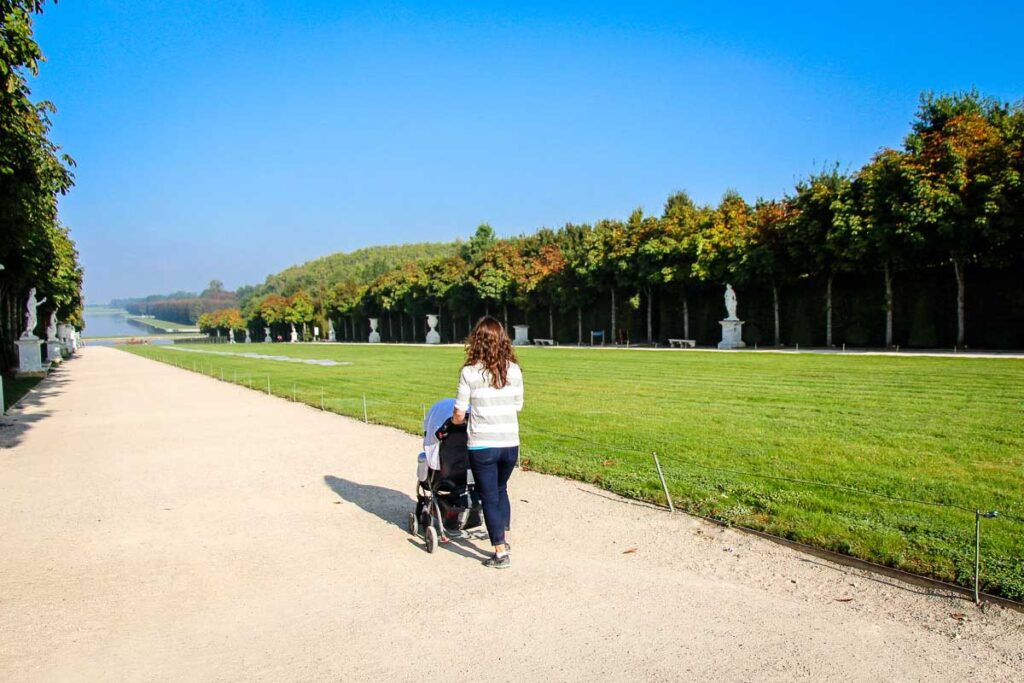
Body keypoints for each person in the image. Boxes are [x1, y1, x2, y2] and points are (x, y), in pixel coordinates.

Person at [452, 316, 524, 569]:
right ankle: (503, 534)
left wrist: (459, 421)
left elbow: (459, 413)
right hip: (509, 442)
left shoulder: (469, 372)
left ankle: (500, 552)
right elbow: (518, 405)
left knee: (489, 496)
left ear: (476, 341)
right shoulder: (513, 370)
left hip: (483, 443)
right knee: (501, 488)